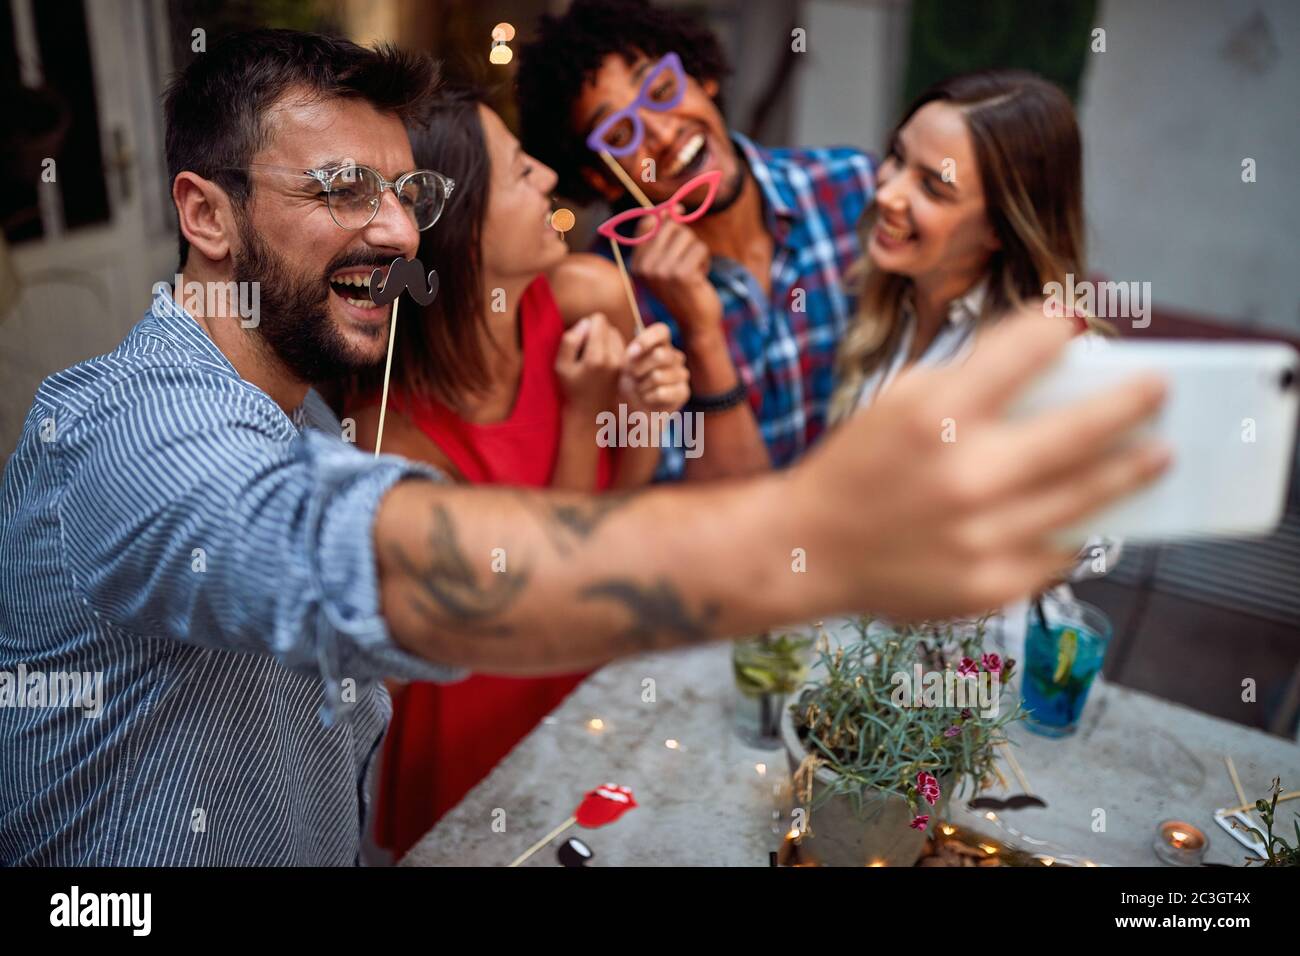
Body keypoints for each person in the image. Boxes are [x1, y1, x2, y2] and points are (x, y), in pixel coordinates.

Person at [0, 29, 1168, 866]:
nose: (398, 227)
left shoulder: (303, 402)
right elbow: (381, 565)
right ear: (206, 215)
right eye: (342, 188)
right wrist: (816, 534)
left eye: (405, 191)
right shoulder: (128, 424)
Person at [345, 87, 690, 856]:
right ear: (457, 229)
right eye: (515, 167)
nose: (544, 172)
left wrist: (644, 411)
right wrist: (580, 415)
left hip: (589, 688)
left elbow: (624, 507)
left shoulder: (591, 296)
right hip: (472, 741)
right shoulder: (390, 432)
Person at [830, 69, 1121, 663]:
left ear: (999, 226)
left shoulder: (1053, 352)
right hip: (856, 650)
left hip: (962, 690)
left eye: (933, 187)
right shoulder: (888, 300)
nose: (886, 192)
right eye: (896, 158)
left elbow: (1102, 541)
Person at [517, 0, 875, 480]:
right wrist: (701, 333)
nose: (663, 134)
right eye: (622, 133)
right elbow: (695, 516)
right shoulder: (610, 304)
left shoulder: (856, 188)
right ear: (601, 179)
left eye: (662, 90)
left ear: (701, 76)